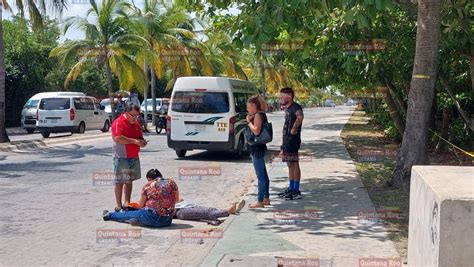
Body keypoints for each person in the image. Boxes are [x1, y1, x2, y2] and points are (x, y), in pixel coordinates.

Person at [103, 169, 178, 228]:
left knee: (129, 214)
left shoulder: (148, 186)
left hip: (152, 219)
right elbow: (177, 200)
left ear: (149, 178)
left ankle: (109, 215)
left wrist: (133, 205)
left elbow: (140, 206)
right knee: (140, 213)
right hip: (167, 221)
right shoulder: (172, 183)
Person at [111, 103, 147, 212]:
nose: (135, 118)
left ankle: (127, 203)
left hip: (134, 156)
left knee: (129, 180)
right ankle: (118, 205)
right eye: (133, 116)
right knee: (120, 181)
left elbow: (139, 136)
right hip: (122, 156)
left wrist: (142, 142)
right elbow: (118, 138)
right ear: (126, 113)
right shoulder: (119, 122)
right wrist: (134, 141)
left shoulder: (136, 123)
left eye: (137, 116)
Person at [278, 87, 304, 200]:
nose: (281, 99)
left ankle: (296, 190)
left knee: (294, 164)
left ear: (289, 96)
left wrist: (294, 128)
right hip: (287, 141)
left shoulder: (295, 107)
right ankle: (291, 187)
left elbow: (300, 117)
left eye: (283, 96)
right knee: (290, 164)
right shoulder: (287, 108)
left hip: (293, 141)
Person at [246, 95, 271, 208]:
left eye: (249, 106)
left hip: (257, 149)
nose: (247, 109)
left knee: (260, 176)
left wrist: (248, 122)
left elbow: (256, 131)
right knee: (264, 175)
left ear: (254, 106)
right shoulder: (261, 114)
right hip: (259, 147)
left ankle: (260, 201)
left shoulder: (258, 115)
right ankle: (266, 198)